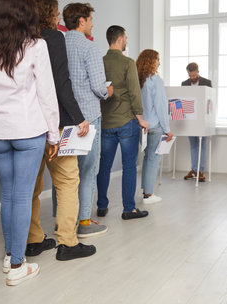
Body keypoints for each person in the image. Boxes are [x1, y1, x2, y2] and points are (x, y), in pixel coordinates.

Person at [0, 0, 58, 285]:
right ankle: (18, 265)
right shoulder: (36, 45)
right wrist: (54, 134)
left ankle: (10, 255)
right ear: (26, 13)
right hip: (27, 130)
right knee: (21, 196)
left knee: (8, 194)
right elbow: (47, 94)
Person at [26, 0, 96, 262]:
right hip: (55, 122)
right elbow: (61, 83)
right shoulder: (53, 37)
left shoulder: (20, 37)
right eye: (54, 10)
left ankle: (33, 241)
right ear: (48, 12)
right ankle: (67, 243)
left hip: (28, 125)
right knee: (68, 181)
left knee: (32, 186)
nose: (57, 14)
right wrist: (79, 118)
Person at [56, 2, 113, 237]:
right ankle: (85, 223)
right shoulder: (90, 47)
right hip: (88, 118)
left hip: (64, 118)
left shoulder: (57, 44)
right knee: (89, 170)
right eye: (90, 19)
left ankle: (63, 222)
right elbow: (99, 88)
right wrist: (109, 91)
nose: (92, 24)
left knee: (65, 174)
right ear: (81, 21)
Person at [98, 25, 150, 220]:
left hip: (106, 122)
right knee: (129, 166)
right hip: (127, 121)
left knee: (104, 165)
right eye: (126, 37)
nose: (126, 40)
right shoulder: (128, 63)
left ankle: (102, 206)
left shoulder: (100, 62)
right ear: (119, 40)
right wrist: (141, 118)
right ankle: (129, 209)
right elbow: (135, 93)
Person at [136, 49, 174, 204]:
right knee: (153, 159)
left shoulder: (137, 79)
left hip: (140, 125)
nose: (159, 62)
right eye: (158, 59)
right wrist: (167, 129)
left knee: (147, 158)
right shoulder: (156, 80)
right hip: (155, 126)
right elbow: (161, 106)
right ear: (151, 61)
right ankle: (149, 195)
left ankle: (146, 190)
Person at [181, 62, 212, 182]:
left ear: (198, 72)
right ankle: (194, 169)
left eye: (194, 75)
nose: (192, 78)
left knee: (202, 145)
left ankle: (200, 171)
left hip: (203, 119)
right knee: (193, 145)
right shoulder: (184, 84)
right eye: (190, 75)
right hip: (190, 119)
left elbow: (210, 101)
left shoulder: (207, 83)